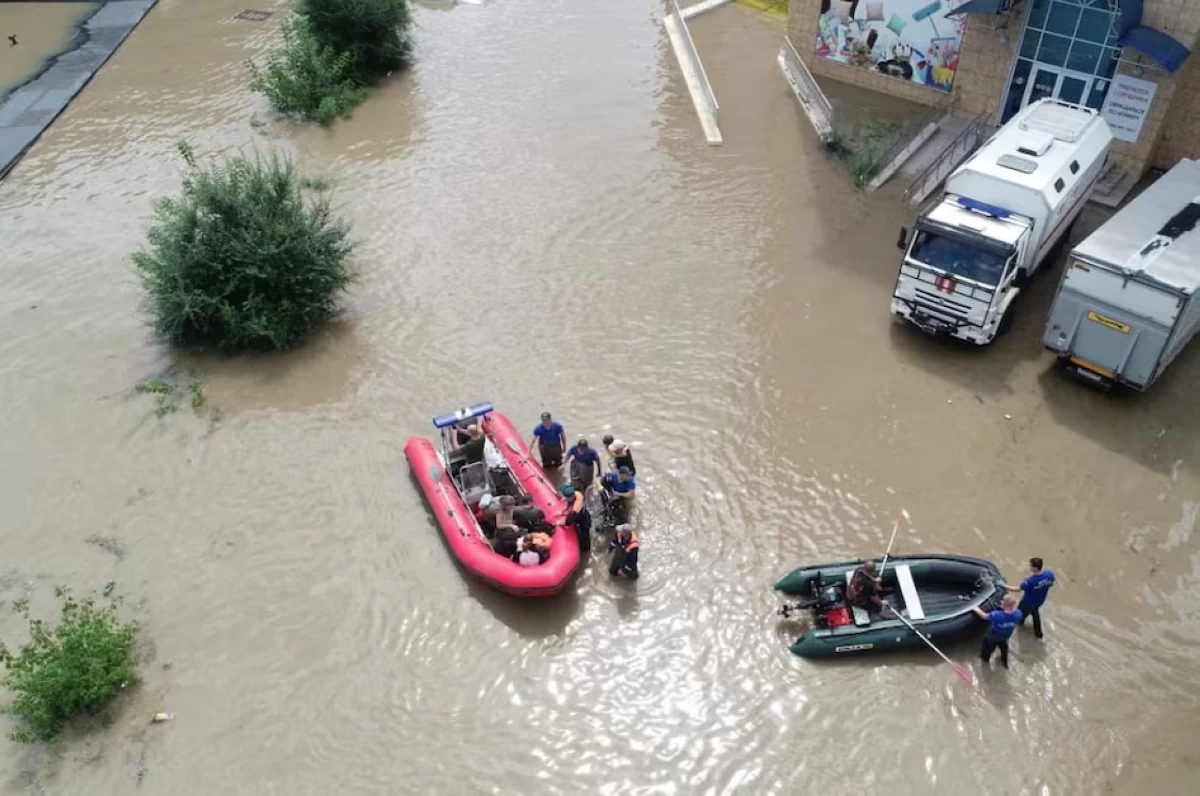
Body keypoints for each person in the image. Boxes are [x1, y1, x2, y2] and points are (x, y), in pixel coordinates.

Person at [1007, 557, 1055, 639]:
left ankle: (1020, 626)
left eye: (1031, 566)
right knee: (1035, 612)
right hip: (1040, 600)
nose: (1029, 567)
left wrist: (1005, 586)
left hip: (1027, 603)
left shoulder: (1030, 581)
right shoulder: (1049, 574)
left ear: (1035, 568)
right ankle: (1038, 633)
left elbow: (1018, 589)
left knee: (1020, 616)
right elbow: (1051, 584)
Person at [974, 595, 1023, 669]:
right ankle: (1005, 663)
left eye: (1002, 601)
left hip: (993, 636)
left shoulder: (997, 615)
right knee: (1003, 646)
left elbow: (984, 616)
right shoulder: (1019, 614)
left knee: (987, 649)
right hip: (1006, 635)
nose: (1001, 601)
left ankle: (985, 660)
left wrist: (975, 608)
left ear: (1004, 604)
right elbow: (1011, 612)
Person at [560, 484, 591, 552]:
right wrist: (562, 512)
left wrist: (559, 523)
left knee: (585, 536)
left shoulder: (575, 509)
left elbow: (568, 522)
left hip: (584, 520)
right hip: (581, 515)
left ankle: (585, 549)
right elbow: (569, 503)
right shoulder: (576, 493)